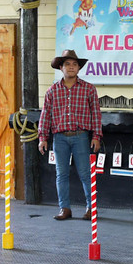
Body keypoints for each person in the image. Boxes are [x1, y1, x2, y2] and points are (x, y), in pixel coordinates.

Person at [38, 49, 102, 221]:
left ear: (79, 69)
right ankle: (64, 208)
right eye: (67, 64)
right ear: (61, 67)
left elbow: (96, 114)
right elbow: (46, 115)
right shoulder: (52, 91)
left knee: (85, 173)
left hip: (81, 136)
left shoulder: (88, 89)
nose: (71, 67)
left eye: (75, 64)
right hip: (59, 138)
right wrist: (42, 137)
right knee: (61, 174)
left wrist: (96, 136)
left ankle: (91, 208)